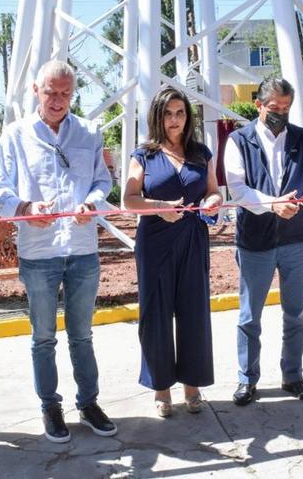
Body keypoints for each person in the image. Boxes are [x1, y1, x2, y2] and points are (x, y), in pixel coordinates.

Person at [0, 60, 116, 442]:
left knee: (82, 335)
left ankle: (89, 402)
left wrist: (91, 204)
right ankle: (50, 405)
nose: (58, 100)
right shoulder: (14, 136)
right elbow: (3, 191)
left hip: (82, 250)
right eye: (51, 92)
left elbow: (102, 181)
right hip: (38, 253)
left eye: (66, 93)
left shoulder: (89, 132)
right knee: (43, 336)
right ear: (36, 91)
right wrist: (27, 210)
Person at [223, 78, 303, 406]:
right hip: (255, 242)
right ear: (259, 105)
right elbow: (238, 189)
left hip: (295, 239)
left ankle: (293, 375)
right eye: (274, 108)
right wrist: (271, 204)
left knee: (295, 313)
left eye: (285, 108)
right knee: (249, 316)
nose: (280, 114)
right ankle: (247, 379)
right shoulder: (238, 141)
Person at [122, 86, 223, 417]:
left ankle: (192, 387)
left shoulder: (201, 154)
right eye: (168, 113)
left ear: (188, 117)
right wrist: (159, 207)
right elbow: (129, 199)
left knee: (194, 312)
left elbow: (212, 191)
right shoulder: (144, 155)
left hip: (193, 238)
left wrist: (212, 201)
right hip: (155, 241)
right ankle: (161, 388)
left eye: (180, 112)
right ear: (158, 116)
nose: (175, 119)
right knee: (157, 316)